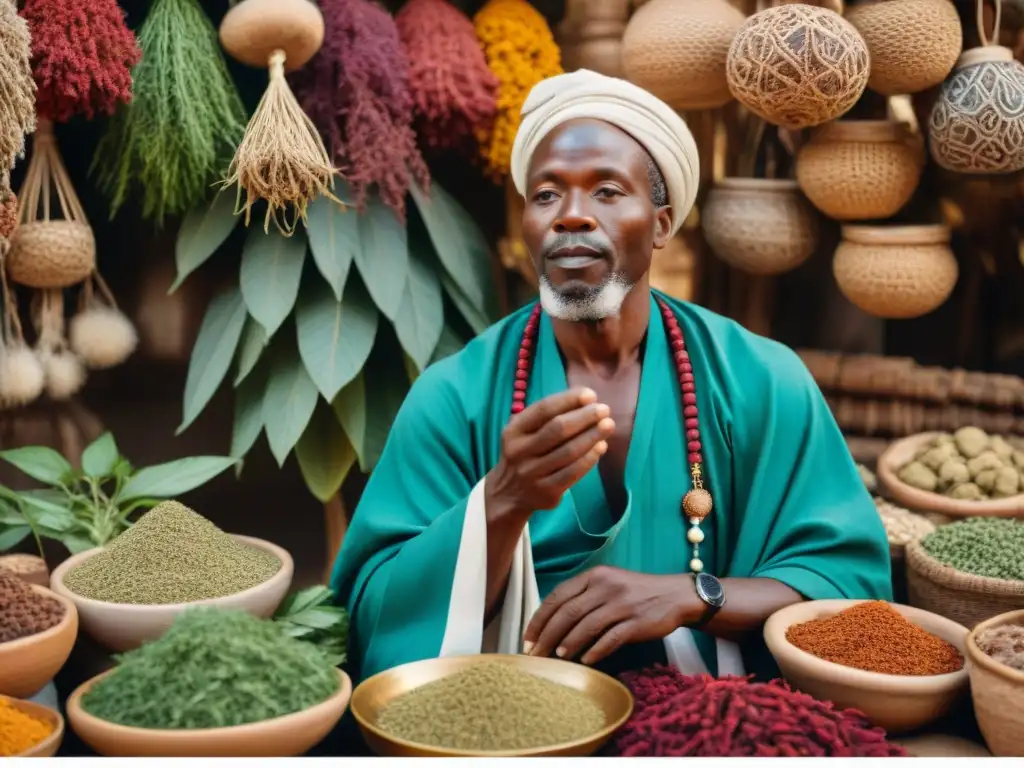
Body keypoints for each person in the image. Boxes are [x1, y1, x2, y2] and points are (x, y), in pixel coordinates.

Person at [331, 70, 892, 683]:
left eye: (604, 190)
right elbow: (371, 614)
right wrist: (501, 502)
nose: (571, 215)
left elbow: (849, 594)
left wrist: (692, 595)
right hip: (519, 724)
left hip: (713, 725)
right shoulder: (453, 397)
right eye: (545, 195)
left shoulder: (762, 380)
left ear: (660, 223)